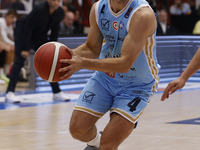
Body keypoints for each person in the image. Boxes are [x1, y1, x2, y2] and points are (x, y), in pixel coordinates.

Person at [59, 0, 159, 149]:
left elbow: (125, 64)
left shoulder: (142, 14)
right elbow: (92, 48)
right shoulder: (98, 8)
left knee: (108, 144)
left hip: (136, 85)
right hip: (104, 79)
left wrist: (83, 63)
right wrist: (63, 58)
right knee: (77, 129)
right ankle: (95, 145)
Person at [5, 0, 70, 103]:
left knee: (51, 61)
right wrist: (25, 48)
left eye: (58, 0)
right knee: (20, 60)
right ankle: (10, 93)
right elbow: (28, 28)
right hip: (23, 33)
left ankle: (56, 92)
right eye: (54, 0)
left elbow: (55, 31)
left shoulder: (60, 12)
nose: (56, 2)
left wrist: (54, 48)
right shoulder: (39, 9)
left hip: (39, 36)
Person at [0, 9, 17, 83]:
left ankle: (6, 73)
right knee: (6, 47)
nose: (13, 19)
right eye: (12, 17)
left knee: (11, 48)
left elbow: (12, 38)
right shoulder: (1, 22)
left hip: (2, 41)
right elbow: (4, 38)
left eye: (14, 18)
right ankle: (1, 74)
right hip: (1, 41)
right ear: (6, 16)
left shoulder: (10, 25)